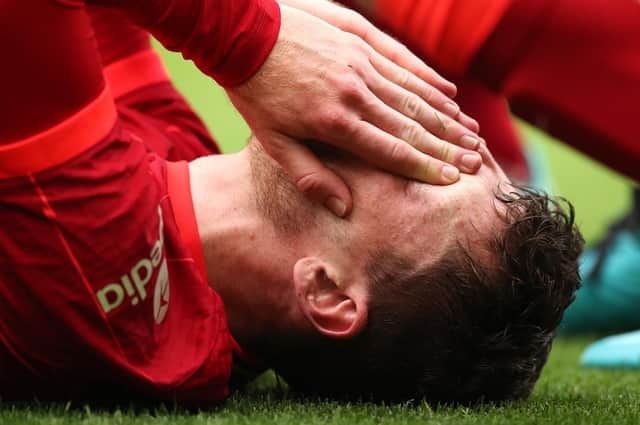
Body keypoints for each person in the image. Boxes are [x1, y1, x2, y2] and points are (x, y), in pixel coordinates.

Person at [0, 2, 584, 405]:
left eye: (429, 173)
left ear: (326, 294)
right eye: (459, 139)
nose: (411, 120)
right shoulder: (182, 166)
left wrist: (252, 40)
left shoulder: (97, 249)